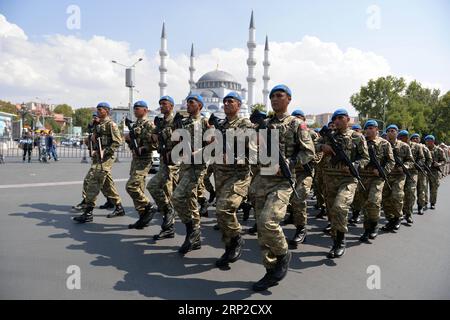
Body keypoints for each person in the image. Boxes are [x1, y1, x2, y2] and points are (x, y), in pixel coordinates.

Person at [248, 85, 315, 291]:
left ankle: (284, 254)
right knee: (261, 229)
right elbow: (252, 147)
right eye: (272, 96)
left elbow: (309, 152)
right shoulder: (264, 124)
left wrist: (290, 163)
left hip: (283, 181)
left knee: (269, 222)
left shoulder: (297, 124)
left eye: (279, 96)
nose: (275, 99)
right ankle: (270, 269)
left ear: (289, 99)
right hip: (262, 180)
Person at [317, 109, 369, 258]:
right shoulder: (328, 136)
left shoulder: (357, 137)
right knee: (332, 212)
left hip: (348, 179)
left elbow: (365, 157)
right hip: (329, 179)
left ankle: (340, 242)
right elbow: (311, 144)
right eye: (335, 119)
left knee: (340, 208)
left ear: (347, 119)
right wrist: (322, 147)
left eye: (341, 118)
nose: (337, 121)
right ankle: (335, 241)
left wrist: (356, 165)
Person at [212, 92, 254, 268]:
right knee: (221, 215)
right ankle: (229, 247)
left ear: (239, 105)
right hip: (221, 175)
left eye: (231, 101)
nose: (227, 104)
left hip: (238, 175)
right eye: (225, 101)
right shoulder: (220, 125)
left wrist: (235, 157)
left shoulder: (245, 124)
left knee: (224, 209)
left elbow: (254, 150)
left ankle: (236, 239)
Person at [171, 94, 211, 254]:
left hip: (197, 166)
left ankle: (191, 231)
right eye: (187, 102)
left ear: (199, 105)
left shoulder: (205, 123)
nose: (188, 105)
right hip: (185, 166)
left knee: (177, 197)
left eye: (191, 102)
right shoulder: (184, 123)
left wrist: (197, 152)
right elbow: (176, 144)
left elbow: (213, 145)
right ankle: (195, 237)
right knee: (190, 199)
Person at [73, 102, 125, 223]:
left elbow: (117, 142)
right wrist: (90, 141)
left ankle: (88, 212)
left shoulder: (111, 125)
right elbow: (94, 139)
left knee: (93, 180)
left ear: (106, 111)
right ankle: (118, 207)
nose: (97, 111)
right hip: (97, 157)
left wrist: (104, 151)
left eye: (100, 109)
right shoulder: (98, 124)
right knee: (107, 184)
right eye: (97, 109)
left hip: (106, 158)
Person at [147, 96, 180, 240]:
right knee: (158, 188)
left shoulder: (177, 121)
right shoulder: (160, 122)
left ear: (171, 106)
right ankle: (169, 219)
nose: (161, 106)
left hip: (175, 162)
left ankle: (169, 218)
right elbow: (153, 138)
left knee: (163, 189)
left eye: (164, 104)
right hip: (164, 161)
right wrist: (154, 135)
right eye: (160, 104)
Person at [358, 120, 394, 242]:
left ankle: (374, 225)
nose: (368, 130)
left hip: (377, 178)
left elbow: (391, 161)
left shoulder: (384, 144)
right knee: (365, 205)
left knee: (373, 202)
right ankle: (367, 229)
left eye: (371, 128)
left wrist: (383, 171)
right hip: (362, 177)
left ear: (376, 130)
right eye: (367, 128)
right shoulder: (360, 142)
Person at [286, 109, 317, 247]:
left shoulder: (312, 134)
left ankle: (301, 229)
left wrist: (313, 161)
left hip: (306, 172)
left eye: (300, 118)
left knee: (299, 198)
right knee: (291, 199)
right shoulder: (287, 133)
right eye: (295, 117)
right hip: (291, 172)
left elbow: (318, 150)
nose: (297, 120)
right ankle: (293, 217)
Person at [381, 125, 414, 231]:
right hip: (386, 175)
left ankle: (398, 217)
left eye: (393, 131)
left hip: (399, 176)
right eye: (389, 131)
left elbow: (410, 161)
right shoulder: (383, 145)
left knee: (397, 195)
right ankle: (390, 220)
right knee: (385, 198)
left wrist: (405, 167)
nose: (391, 133)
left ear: (397, 133)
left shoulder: (404, 146)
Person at [398, 130, 424, 224]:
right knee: (399, 193)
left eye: (403, 137)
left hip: (412, 172)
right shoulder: (398, 145)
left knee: (410, 192)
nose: (401, 139)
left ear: (407, 137)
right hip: (399, 173)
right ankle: (400, 213)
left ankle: (408, 214)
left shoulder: (417, 146)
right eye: (400, 137)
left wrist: (414, 165)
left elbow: (421, 159)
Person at [410, 133, 432, 214]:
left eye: (417, 138)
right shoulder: (408, 146)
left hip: (421, 172)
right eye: (413, 138)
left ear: (419, 139)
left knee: (421, 190)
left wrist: (426, 167)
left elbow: (429, 159)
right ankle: (408, 209)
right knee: (410, 191)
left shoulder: (424, 148)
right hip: (411, 172)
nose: (415, 139)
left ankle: (420, 207)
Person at [425, 135, 446, 209]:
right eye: (427, 141)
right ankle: (424, 202)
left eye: (430, 141)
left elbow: (444, 160)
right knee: (424, 188)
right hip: (425, 171)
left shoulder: (439, 150)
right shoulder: (423, 149)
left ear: (433, 141)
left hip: (434, 171)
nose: (428, 142)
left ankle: (432, 203)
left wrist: (439, 164)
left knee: (434, 188)